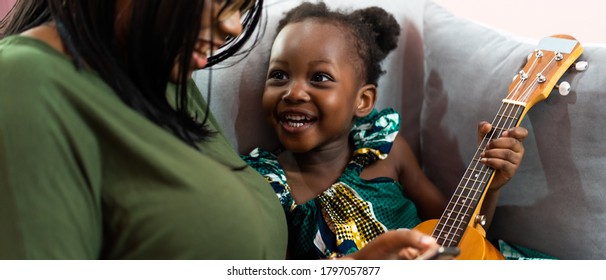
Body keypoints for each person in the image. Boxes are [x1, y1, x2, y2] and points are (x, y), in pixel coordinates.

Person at [0, 0, 441, 259]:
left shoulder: (164, 75)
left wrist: (356, 266)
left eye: (244, 6)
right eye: (224, 0)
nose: (233, 26)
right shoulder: (24, 85)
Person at [242, 2, 535, 260]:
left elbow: (457, 236)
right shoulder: (269, 187)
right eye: (279, 75)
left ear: (363, 100)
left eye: (319, 78)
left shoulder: (387, 150)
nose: (293, 93)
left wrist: (490, 187)